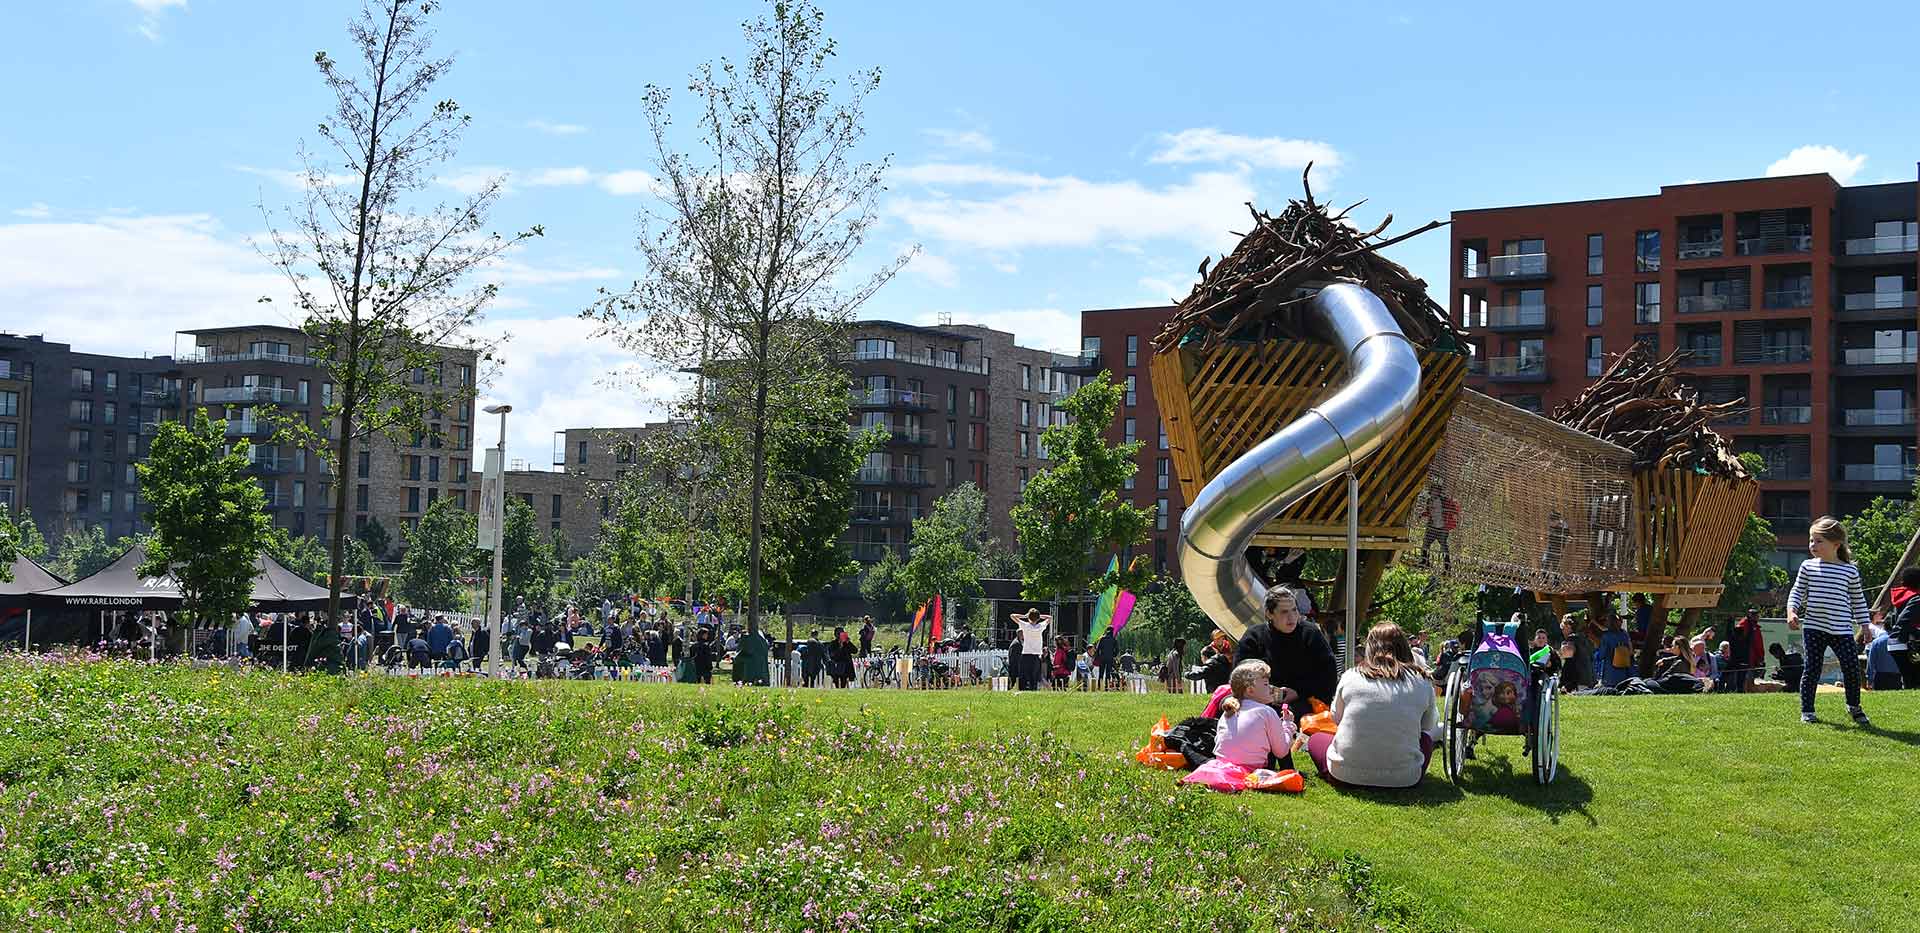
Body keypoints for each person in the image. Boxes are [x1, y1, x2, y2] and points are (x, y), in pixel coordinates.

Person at [1307, 623, 1441, 788]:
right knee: (1426, 740)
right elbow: (1428, 726)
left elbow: (1337, 718)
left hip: (1345, 774)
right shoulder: (1422, 681)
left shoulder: (1351, 676)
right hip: (1405, 777)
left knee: (1316, 740)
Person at [1787, 516, 1871, 726]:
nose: (1812, 545)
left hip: (1842, 629)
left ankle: (1854, 707)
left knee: (1851, 667)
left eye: (1818, 541)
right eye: (1811, 540)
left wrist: (1865, 625)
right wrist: (1792, 611)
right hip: (1814, 627)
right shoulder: (1808, 566)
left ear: (1836, 544)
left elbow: (1858, 600)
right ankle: (1807, 710)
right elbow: (1797, 591)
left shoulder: (1849, 571)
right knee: (1812, 668)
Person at [1235, 588, 1338, 712]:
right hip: (1261, 706)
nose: (1292, 617)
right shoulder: (1254, 636)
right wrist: (1267, 690)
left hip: (1306, 705)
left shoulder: (1311, 633)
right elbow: (1239, 675)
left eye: (1294, 610)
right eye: (1284, 612)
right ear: (1269, 614)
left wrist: (1299, 692)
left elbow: (1328, 675)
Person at [1211, 659, 1299, 771]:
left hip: (1222, 768)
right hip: (1252, 771)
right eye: (1266, 684)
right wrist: (1288, 724)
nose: (1271, 688)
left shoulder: (1228, 711)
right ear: (1250, 690)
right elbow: (1281, 752)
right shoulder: (1266, 711)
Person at [1889, 566, 1920, 689]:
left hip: (1895, 643)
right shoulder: (1917, 599)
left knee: (1909, 679)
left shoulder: (1902, 598)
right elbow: (1903, 622)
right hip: (1905, 642)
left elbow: (1892, 622)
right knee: (1914, 680)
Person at [1419, 481, 1457, 572]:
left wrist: (1453, 513)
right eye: (1433, 491)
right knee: (1425, 544)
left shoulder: (1444, 501)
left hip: (1442, 528)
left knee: (1444, 547)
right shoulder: (1429, 501)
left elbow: (1452, 508)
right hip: (1432, 527)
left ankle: (1447, 566)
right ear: (1431, 492)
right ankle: (1425, 561)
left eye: (1436, 491)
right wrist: (1423, 515)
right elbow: (1429, 512)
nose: (1434, 493)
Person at [1010, 609, 1049, 691]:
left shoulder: (1025, 626)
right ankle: (1033, 690)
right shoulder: (1040, 626)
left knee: (1023, 675)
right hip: (1036, 655)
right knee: (1034, 676)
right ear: (1038, 618)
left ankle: (1022, 690)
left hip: (1026, 654)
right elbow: (1050, 618)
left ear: (1029, 618)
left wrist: (1025, 616)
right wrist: (1039, 616)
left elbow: (1012, 616)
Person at [1730, 608, 1763, 693]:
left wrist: (1760, 657)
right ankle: (1741, 691)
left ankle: (1747, 691)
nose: (1757, 618)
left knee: (1750, 676)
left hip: (1753, 656)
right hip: (1746, 656)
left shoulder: (1754, 626)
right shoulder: (1743, 625)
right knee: (1743, 676)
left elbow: (1758, 643)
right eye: (1756, 616)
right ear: (1751, 616)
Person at [1557, 614, 1594, 689]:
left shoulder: (1572, 639)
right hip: (1588, 679)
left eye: (1562, 627)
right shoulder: (1583, 638)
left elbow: (1566, 653)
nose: (1562, 630)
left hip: (1578, 682)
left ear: (1568, 626)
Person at [1596, 614, 1633, 688]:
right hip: (1624, 671)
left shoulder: (1606, 636)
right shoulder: (1624, 634)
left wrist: (1596, 655)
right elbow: (1630, 649)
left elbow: (1601, 655)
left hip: (1610, 673)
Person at [1865, 627, 1903, 691]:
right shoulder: (1899, 640)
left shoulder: (1876, 642)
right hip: (1896, 677)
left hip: (1880, 677)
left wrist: (1869, 679)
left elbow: (1871, 662)